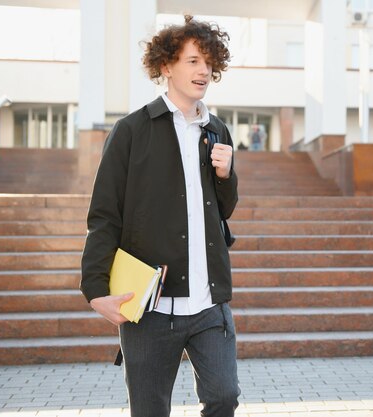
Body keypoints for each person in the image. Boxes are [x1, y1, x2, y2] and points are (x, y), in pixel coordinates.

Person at [80, 15, 240, 417]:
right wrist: (95, 288)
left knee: (224, 397)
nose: (203, 70)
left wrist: (226, 175)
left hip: (209, 305)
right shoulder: (132, 131)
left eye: (208, 62)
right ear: (166, 66)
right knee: (149, 411)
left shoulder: (217, 130)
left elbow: (224, 210)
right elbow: (104, 213)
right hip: (151, 308)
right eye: (192, 61)